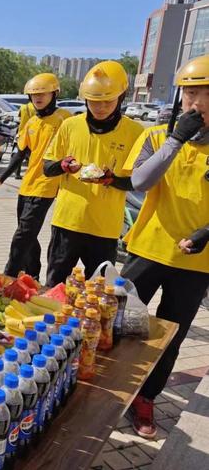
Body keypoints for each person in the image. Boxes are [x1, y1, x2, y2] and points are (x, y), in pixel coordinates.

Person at [122, 54, 209, 439]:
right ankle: (111, 389)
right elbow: (140, 181)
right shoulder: (157, 136)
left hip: (196, 261)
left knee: (170, 337)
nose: (196, 102)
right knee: (119, 322)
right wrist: (177, 138)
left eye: (205, 93)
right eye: (190, 92)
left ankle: (146, 399)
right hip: (147, 248)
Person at [42, 61, 143, 286]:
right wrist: (63, 165)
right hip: (68, 222)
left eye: (107, 101)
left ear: (121, 97)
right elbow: (47, 167)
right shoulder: (70, 125)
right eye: (94, 101)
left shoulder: (135, 132)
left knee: (98, 291)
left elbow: (137, 182)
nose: (100, 107)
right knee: (54, 285)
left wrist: (113, 180)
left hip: (104, 228)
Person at [0, 73, 71, 279]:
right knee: (28, 235)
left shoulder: (65, 119)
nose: (38, 98)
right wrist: (1, 178)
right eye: (34, 95)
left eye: (43, 93)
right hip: (27, 185)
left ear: (54, 93)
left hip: (47, 185)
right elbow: (21, 153)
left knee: (22, 235)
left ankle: (8, 276)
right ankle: (32, 275)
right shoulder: (32, 122)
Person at [13, 101, 37, 179]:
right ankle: (32, 174)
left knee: (19, 154)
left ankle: (17, 173)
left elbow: (19, 118)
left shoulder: (23, 107)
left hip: (21, 133)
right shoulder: (38, 107)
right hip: (33, 134)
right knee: (33, 156)